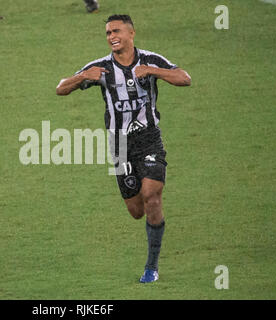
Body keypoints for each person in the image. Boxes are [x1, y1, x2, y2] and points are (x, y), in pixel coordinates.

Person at [56, 14, 191, 283]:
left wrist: (153, 71)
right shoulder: (100, 67)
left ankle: (151, 268)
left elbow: (184, 78)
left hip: (149, 137)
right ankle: (150, 219)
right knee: (136, 210)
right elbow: (61, 88)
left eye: (116, 31)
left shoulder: (151, 59)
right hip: (119, 145)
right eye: (107, 33)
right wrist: (84, 76)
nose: (111, 36)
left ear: (131, 34)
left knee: (152, 195)